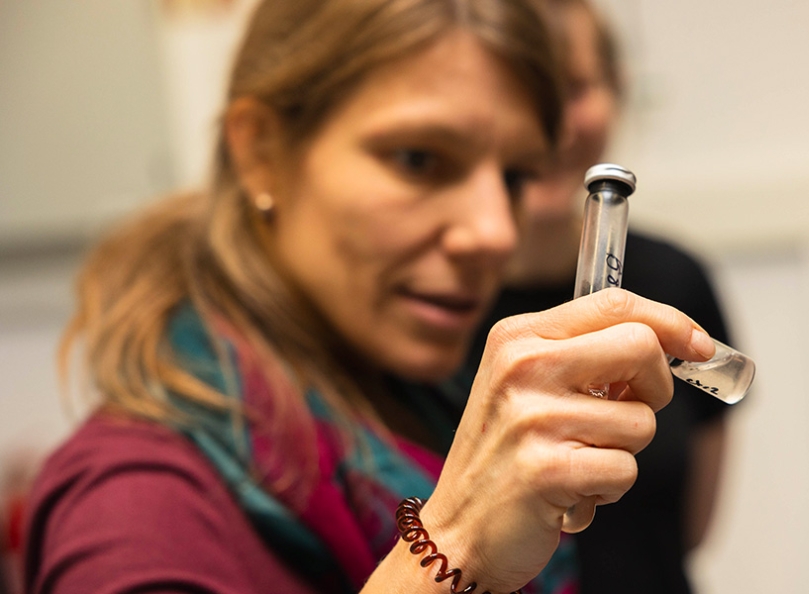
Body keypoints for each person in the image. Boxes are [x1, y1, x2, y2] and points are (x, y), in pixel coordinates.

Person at [21, 1, 718, 593]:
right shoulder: (135, 504)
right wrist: (455, 545)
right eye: (418, 158)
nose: (492, 232)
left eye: (515, 176)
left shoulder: (412, 401)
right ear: (261, 151)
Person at [462, 1, 735, 592]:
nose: (555, 123)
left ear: (618, 92)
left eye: (576, 87)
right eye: (524, 88)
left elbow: (692, 528)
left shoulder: (679, 282)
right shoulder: (436, 307)